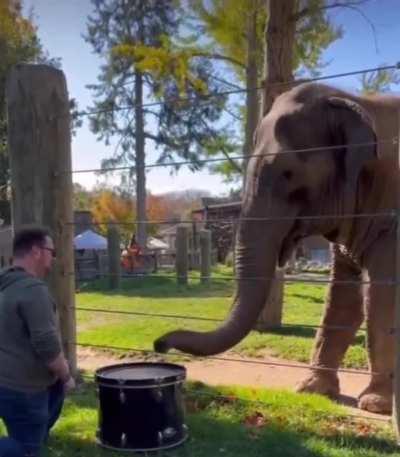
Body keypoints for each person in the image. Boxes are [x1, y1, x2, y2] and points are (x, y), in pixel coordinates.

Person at [0, 226, 75, 457]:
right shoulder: (34, 291)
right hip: (24, 388)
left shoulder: (5, 283)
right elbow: (47, 346)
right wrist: (66, 375)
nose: (52, 258)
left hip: (5, 381)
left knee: (32, 432)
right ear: (36, 251)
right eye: (51, 252)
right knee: (25, 449)